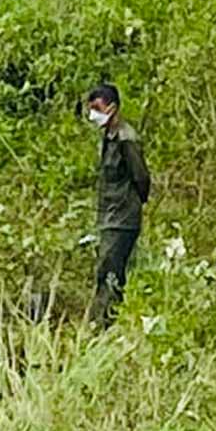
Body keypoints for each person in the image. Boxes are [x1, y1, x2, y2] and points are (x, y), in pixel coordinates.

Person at [87, 83, 151, 328]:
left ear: (112, 108)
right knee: (105, 271)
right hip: (108, 216)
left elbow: (141, 177)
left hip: (122, 218)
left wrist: (135, 203)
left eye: (97, 108)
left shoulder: (127, 138)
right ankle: (105, 322)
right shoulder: (108, 137)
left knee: (110, 275)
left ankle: (104, 325)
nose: (93, 114)